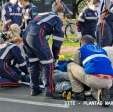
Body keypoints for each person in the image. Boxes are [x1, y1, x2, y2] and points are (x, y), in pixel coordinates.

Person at [23, 2, 64, 96]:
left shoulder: (45, 14)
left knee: (33, 63)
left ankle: (34, 89)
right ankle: (50, 90)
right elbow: (58, 40)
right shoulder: (57, 19)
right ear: (61, 13)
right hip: (36, 35)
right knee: (48, 63)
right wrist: (55, 56)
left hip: (26, 34)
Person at [67, 35, 113, 105]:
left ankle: (78, 92)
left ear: (82, 43)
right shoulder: (102, 50)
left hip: (93, 78)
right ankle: (101, 96)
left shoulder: (80, 50)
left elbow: (77, 66)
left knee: (70, 65)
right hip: (109, 80)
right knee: (94, 89)